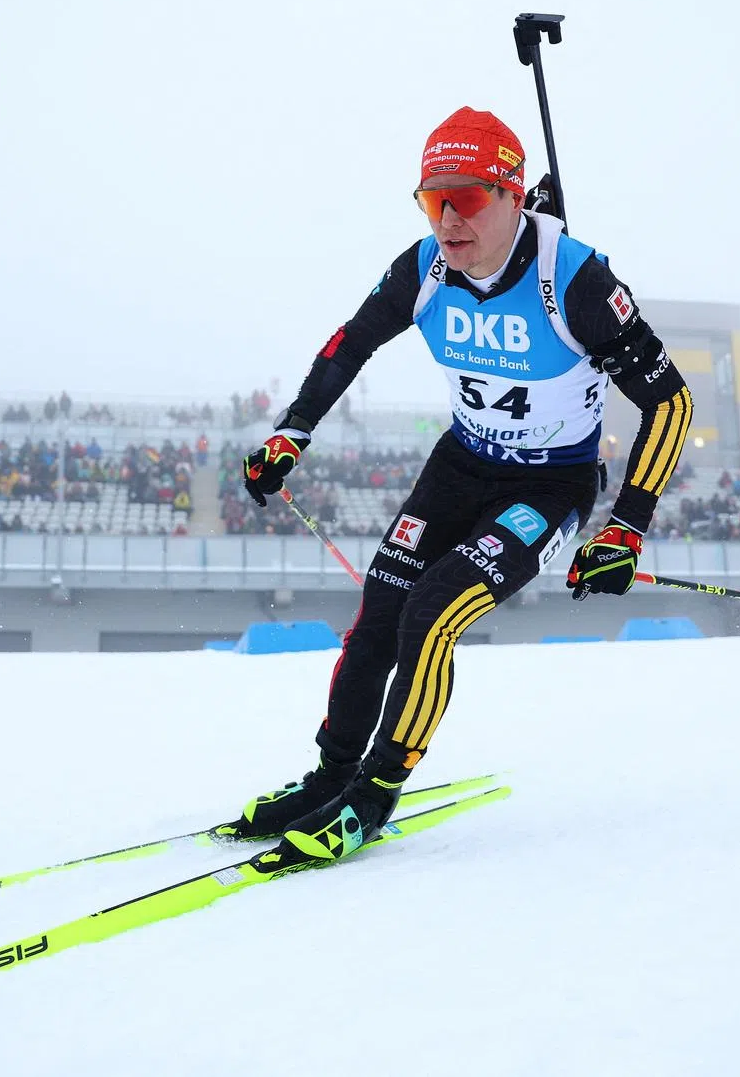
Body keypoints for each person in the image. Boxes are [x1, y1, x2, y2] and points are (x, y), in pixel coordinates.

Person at [222, 107, 693, 870]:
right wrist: (293, 430)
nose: (447, 219)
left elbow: (670, 402)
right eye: (431, 198)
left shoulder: (571, 279)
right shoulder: (425, 268)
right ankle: (331, 776)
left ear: (513, 197)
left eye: (467, 198)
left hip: (548, 486)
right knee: (379, 611)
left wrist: (625, 527)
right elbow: (352, 341)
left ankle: (371, 799)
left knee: (433, 611)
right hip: (460, 466)